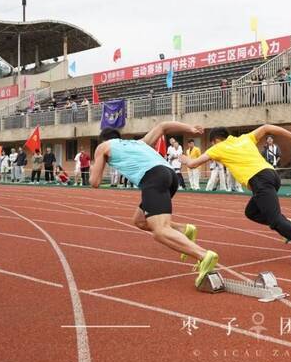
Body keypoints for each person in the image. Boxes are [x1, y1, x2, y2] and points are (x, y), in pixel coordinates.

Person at [90, 122, 218, 288]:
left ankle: (203, 255)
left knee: (160, 231)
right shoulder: (138, 142)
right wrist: (190, 128)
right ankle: (184, 230)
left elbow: (95, 182)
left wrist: (96, 166)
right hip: (169, 175)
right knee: (140, 221)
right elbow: (163, 126)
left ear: (103, 140)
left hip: (153, 177)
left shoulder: (103, 147)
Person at [182, 124, 291, 267]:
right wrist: (290, 135)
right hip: (271, 175)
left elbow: (192, 164)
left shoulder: (218, 148)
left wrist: (184, 160)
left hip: (260, 180)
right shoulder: (245, 138)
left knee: (275, 219)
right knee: (251, 212)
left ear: (215, 140)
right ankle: (286, 223)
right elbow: (266, 127)